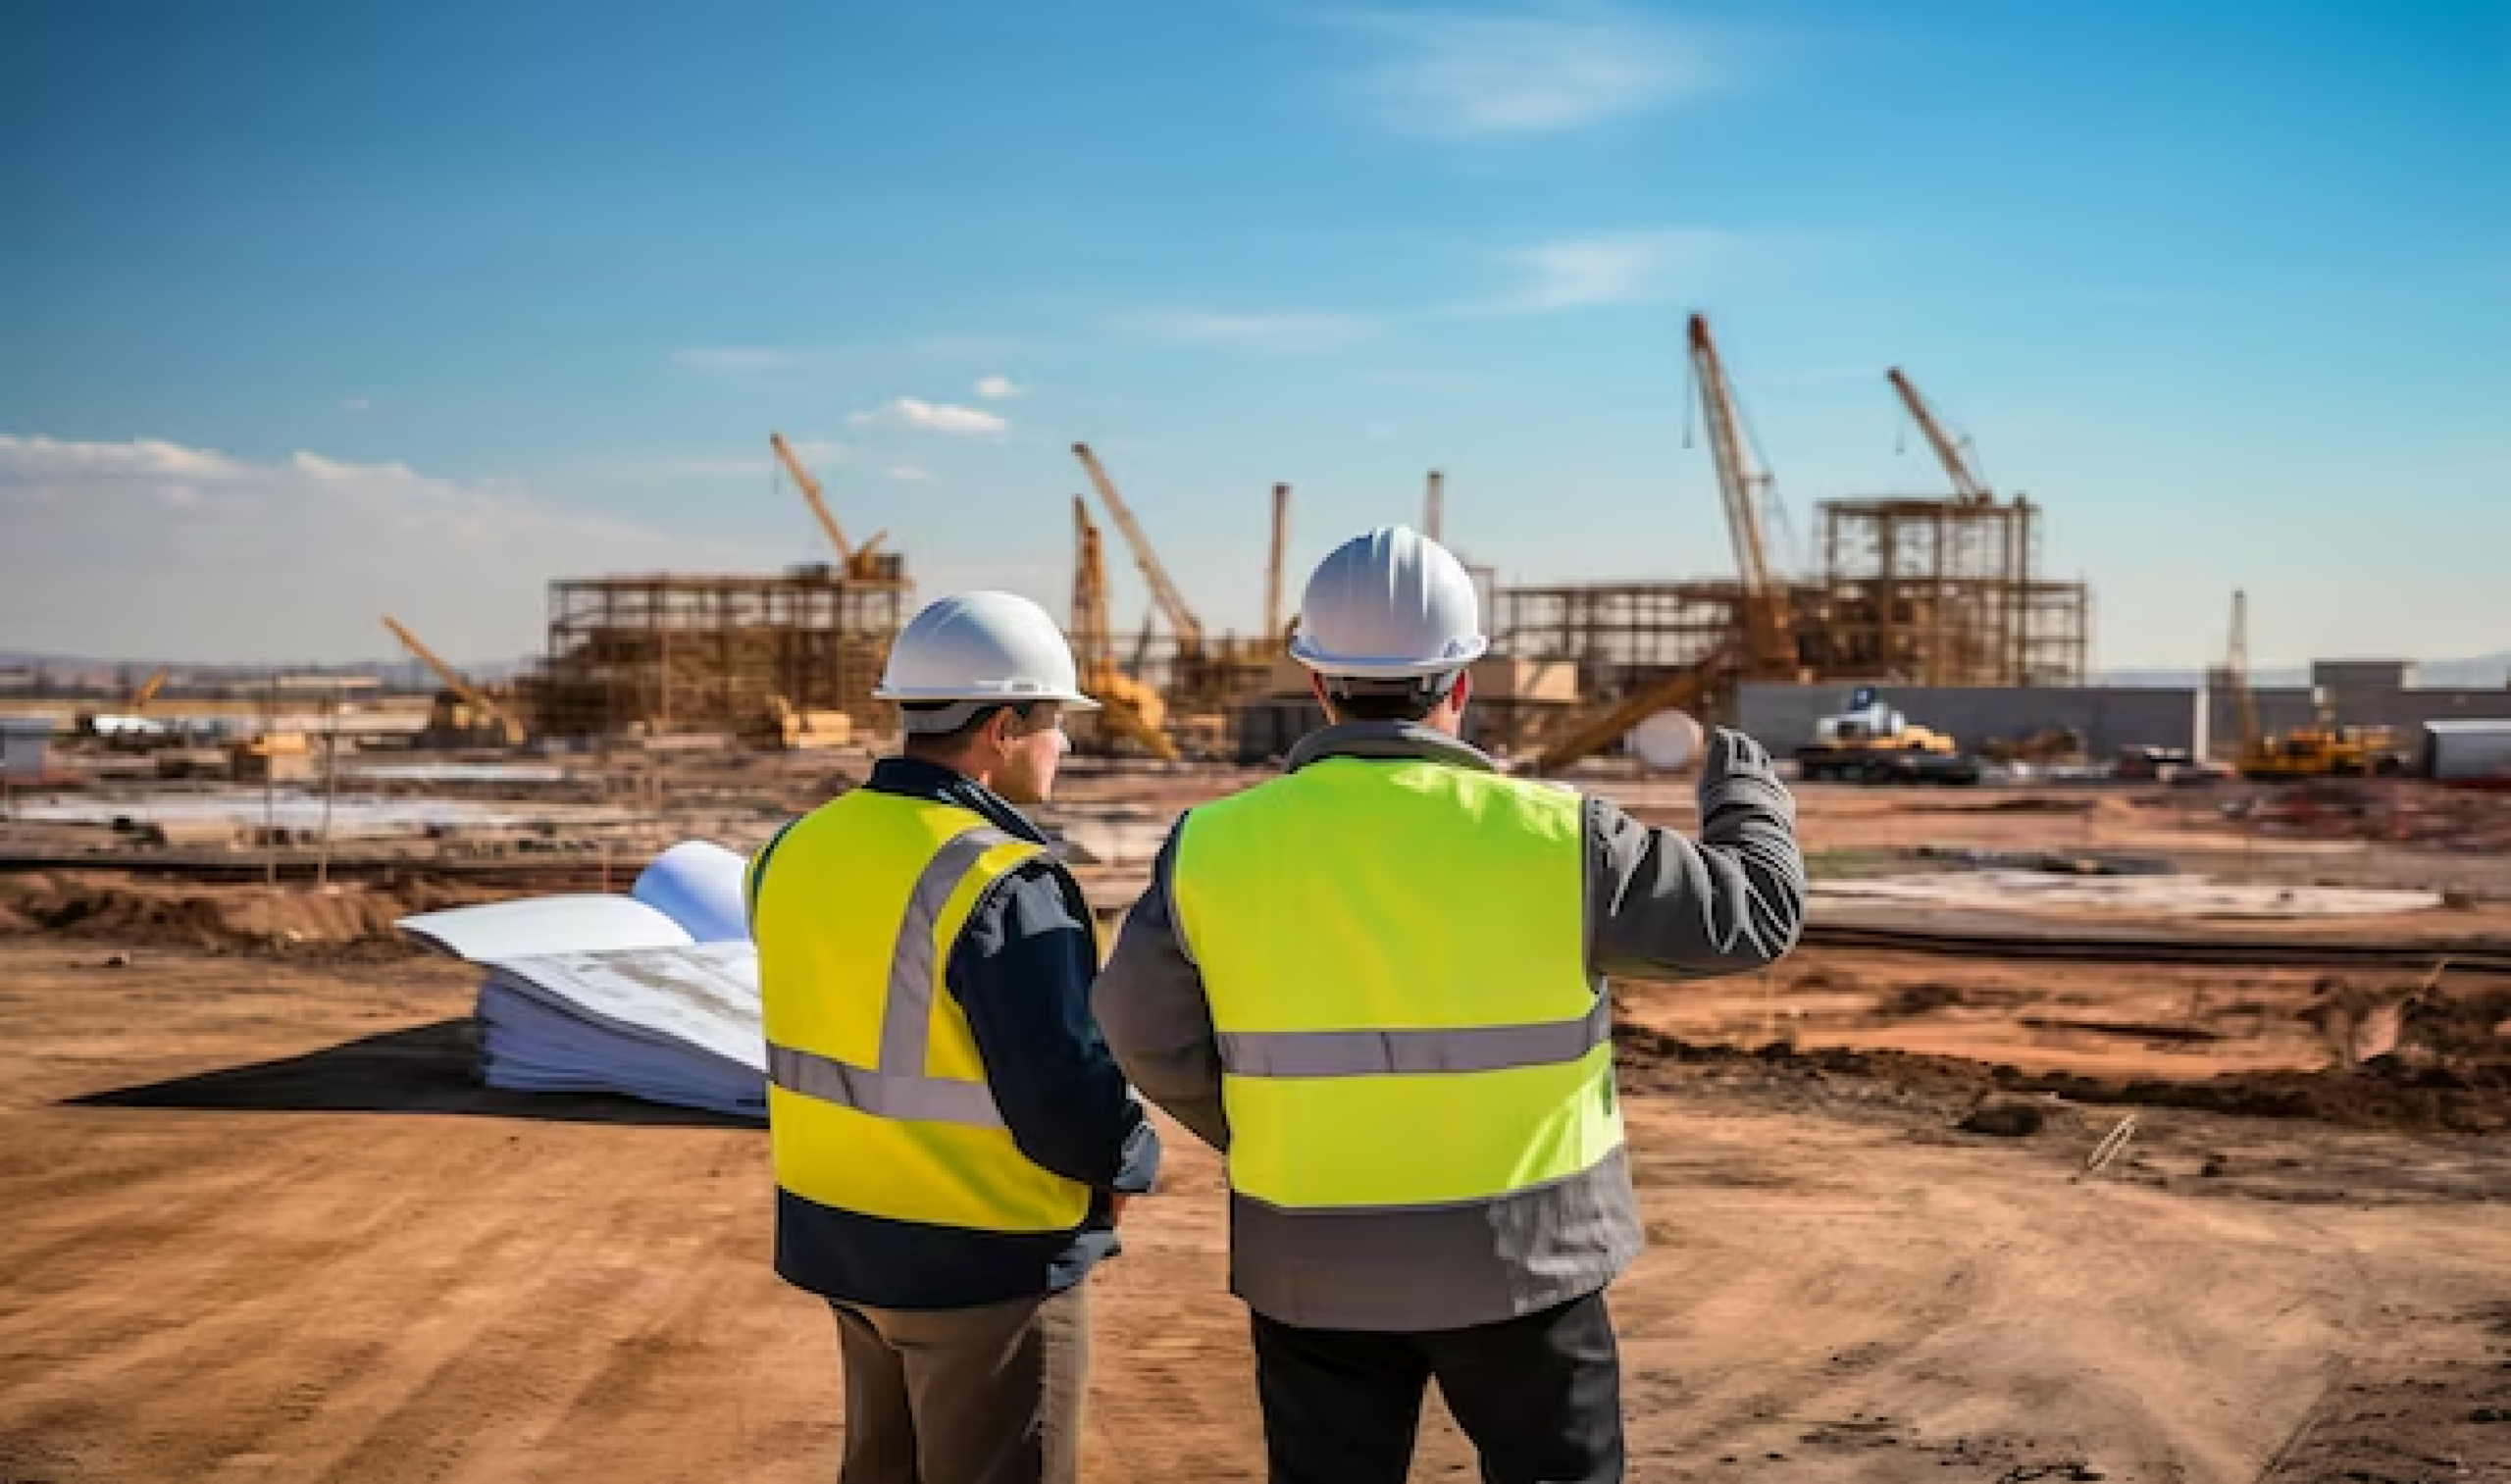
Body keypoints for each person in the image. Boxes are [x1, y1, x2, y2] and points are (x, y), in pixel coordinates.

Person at [1091, 527, 1804, 1484]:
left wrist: (1271, 1127)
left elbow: (1141, 1031)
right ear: (1458, 684)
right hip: (1529, 1262)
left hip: (1310, 1252)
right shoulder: (1562, 837)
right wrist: (1745, 789)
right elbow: (1753, 913)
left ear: (1316, 681)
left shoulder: (1213, 845)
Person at [748, 589, 1161, 1484]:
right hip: (986, 1259)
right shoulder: (1003, 879)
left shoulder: (793, 850)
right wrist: (1128, 1159)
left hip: (840, 1236)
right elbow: (1061, 1091)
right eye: (1056, 721)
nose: (1067, 743)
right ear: (1005, 726)